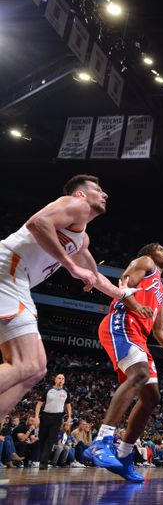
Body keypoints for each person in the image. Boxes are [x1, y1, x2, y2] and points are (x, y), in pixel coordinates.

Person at [0, 175, 141, 420]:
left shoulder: (81, 237)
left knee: (35, 369)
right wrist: (71, 267)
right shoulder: (75, 204)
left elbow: (95, 276)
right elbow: (38, 222)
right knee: (27, 365)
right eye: (98, 189)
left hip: (14, 278)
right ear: (81, 194)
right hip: (8, 270)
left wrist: (124, 293)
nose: (105, 194)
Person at [84, 243, 163, 482]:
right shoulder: (145, 262)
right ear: (149, 252)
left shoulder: (161, 291)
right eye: (160, 248)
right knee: (140, 373)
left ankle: (124, 456)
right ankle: (101, 441)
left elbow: (160, 331)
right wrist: (135, 305)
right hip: (122, 323)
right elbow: (121, 287)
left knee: (152, 397)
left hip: (139, 337)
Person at [34, 373, 72, 470]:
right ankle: (44, 460)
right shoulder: (48, 390)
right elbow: (39, 404)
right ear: (55, 380)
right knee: (42, 438)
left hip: (58, 417)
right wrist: (36, 417)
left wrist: (69, 417)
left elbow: (68, 405)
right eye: (59, 378)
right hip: (46, 415)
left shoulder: (66, 392)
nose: (61, 380)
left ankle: (43, 462)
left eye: (63, 378)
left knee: (51, 440)